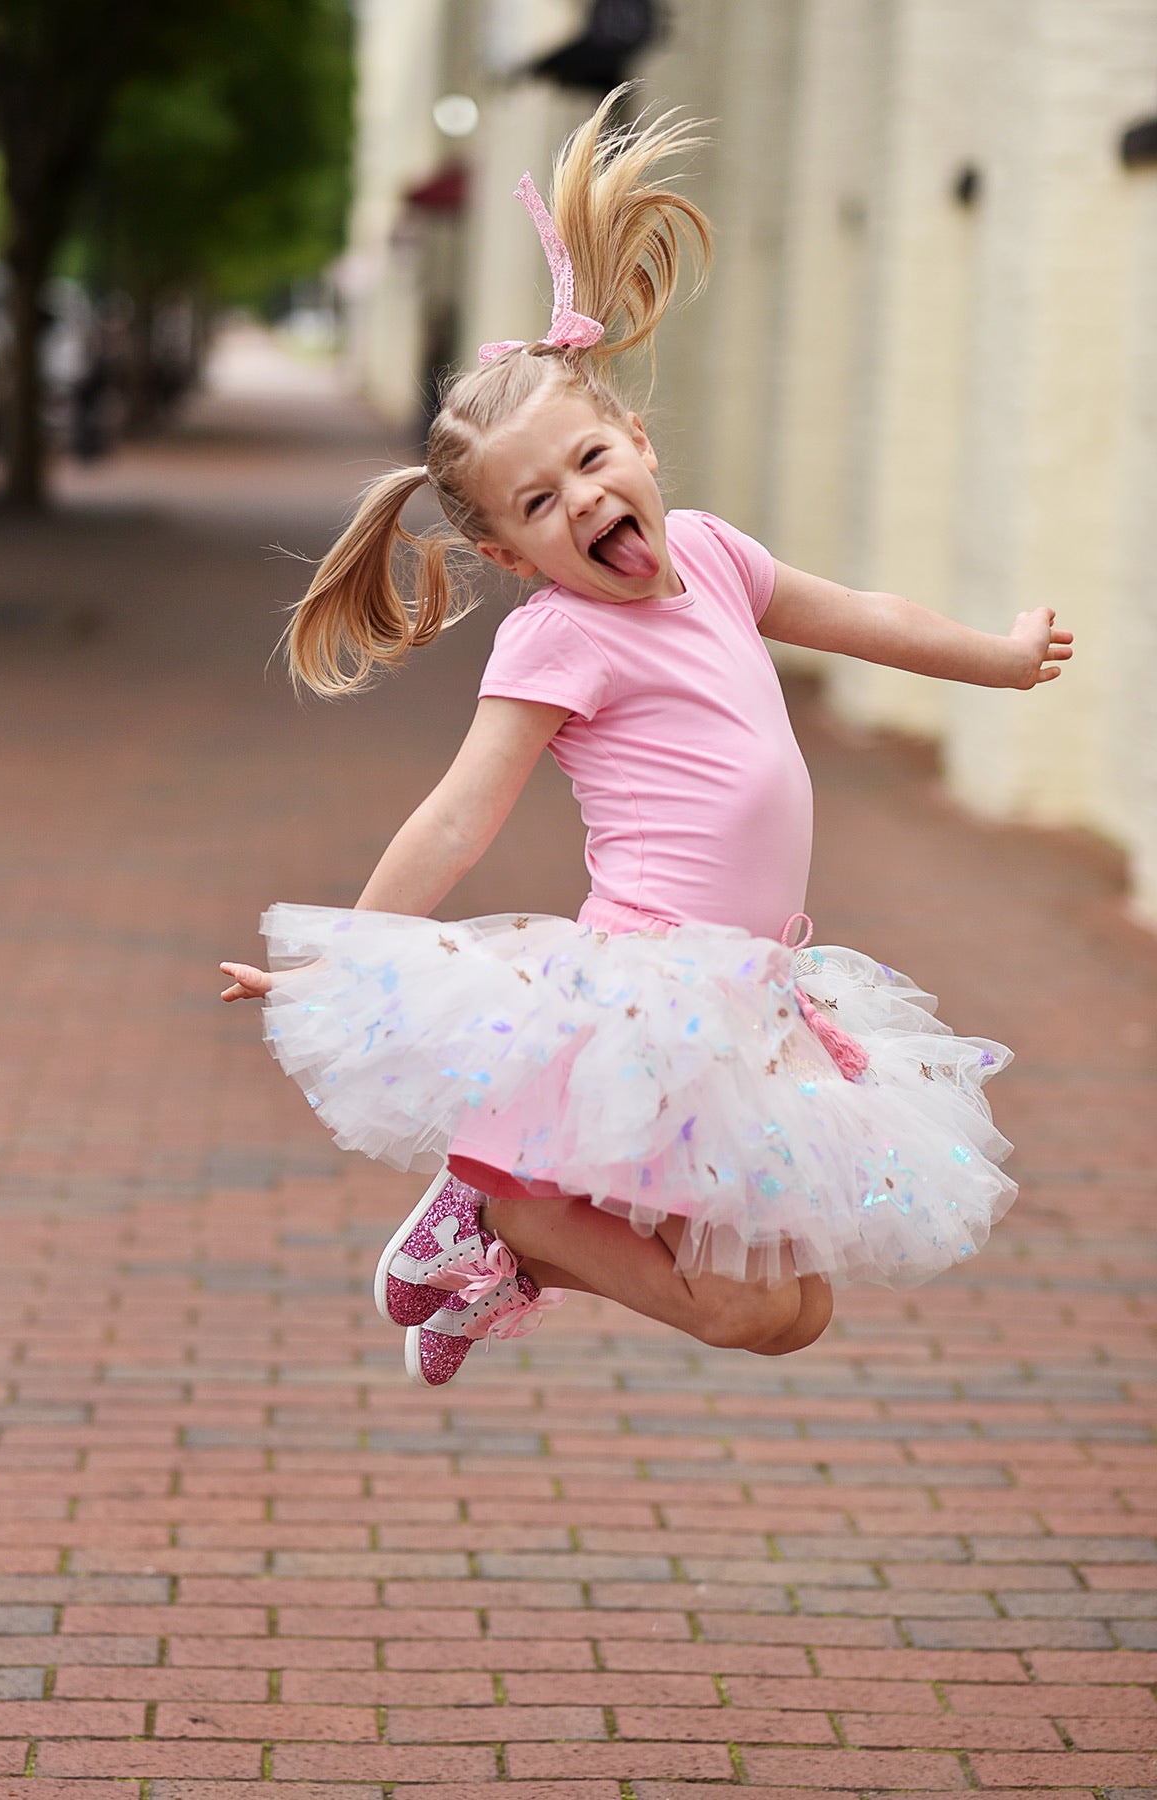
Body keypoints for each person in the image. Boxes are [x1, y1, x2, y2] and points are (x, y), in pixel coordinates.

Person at [221, 92, 1073, 1388]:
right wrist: (345, 963)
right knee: (740, 1308)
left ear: (639, 441)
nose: (585, 502)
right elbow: (460, 813)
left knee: (793, 1314)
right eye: (541, 503)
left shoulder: (720, 556)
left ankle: (489, 1244)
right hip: (652, 994)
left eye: (591, 459)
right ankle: (494, 1215)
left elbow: (866, 617)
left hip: (763, 996)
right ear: (510, 554)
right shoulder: (560, 638)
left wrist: (998, 663)